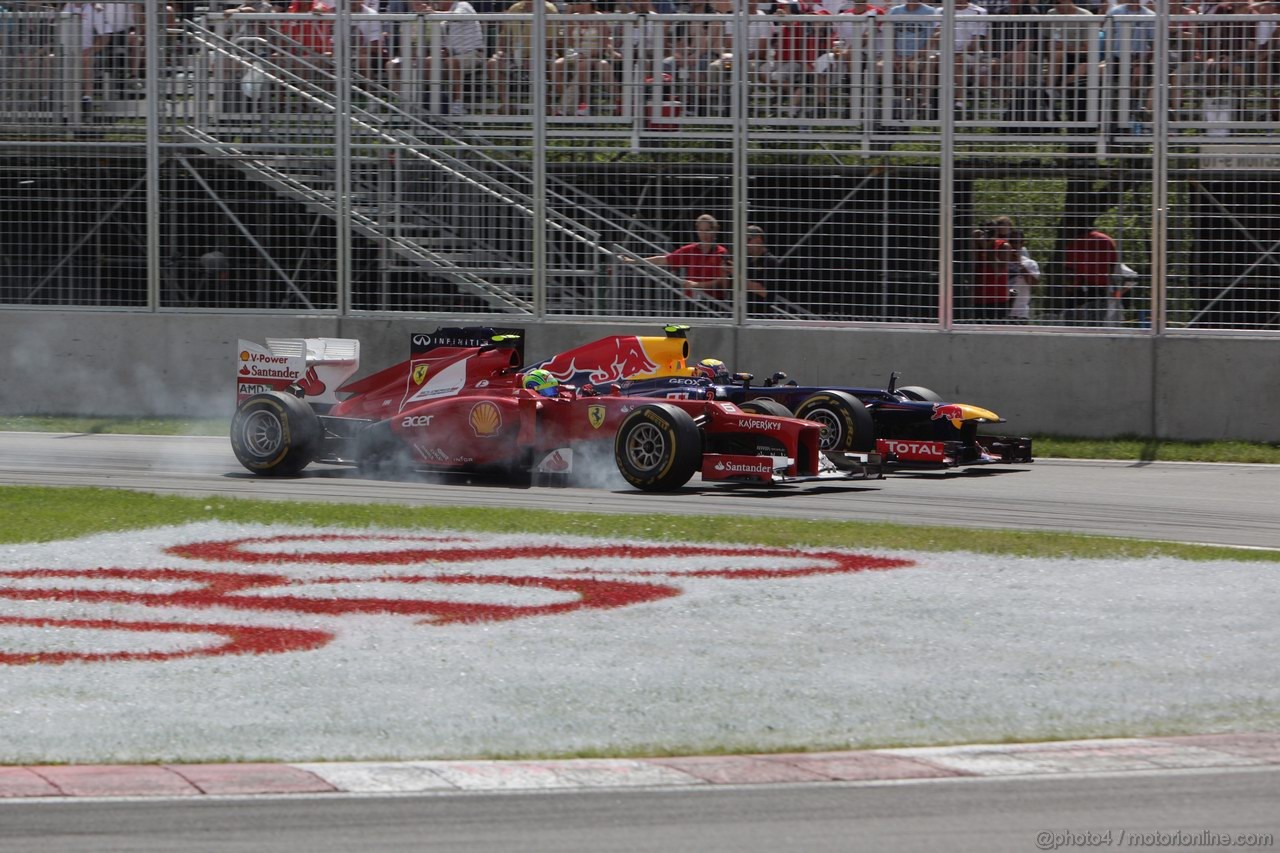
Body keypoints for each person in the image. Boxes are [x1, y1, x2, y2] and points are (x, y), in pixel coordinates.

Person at [625, 213, 731, 302]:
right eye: (701, 230)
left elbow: (723, 282)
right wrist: (633, 261)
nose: (704, 234)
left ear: (715, 230)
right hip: (692, 301)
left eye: (708, 230)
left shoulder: (721, 252)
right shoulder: (690, 250)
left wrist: (697, 285)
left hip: (714, 301)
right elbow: (664, 260)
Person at [1061, 224, 1118, 324]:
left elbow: (1069, 270)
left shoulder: (1075, 243)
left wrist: (1068, 288)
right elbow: (1112, 266)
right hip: (1099, 289)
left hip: (1078, 290)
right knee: (1096, 324)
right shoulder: (1107, 240)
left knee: (1073, 326)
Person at [744, 224, 780, 313]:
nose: (745, 244)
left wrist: (737, 275)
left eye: (748, 240)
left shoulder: (770, 261)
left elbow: (764, 292)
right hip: (745, 312)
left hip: (762, 313)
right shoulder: (747, 261)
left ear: (759, 240)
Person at [1005, 229, 1040, 321]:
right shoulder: (1000, 263)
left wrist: (1020, 266)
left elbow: (1033, 283)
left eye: (1017, 242)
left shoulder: (1029, 263)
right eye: (1011, 241)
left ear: (1022, 244)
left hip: (1020, 315)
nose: (1013, 245)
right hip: (999, 312)